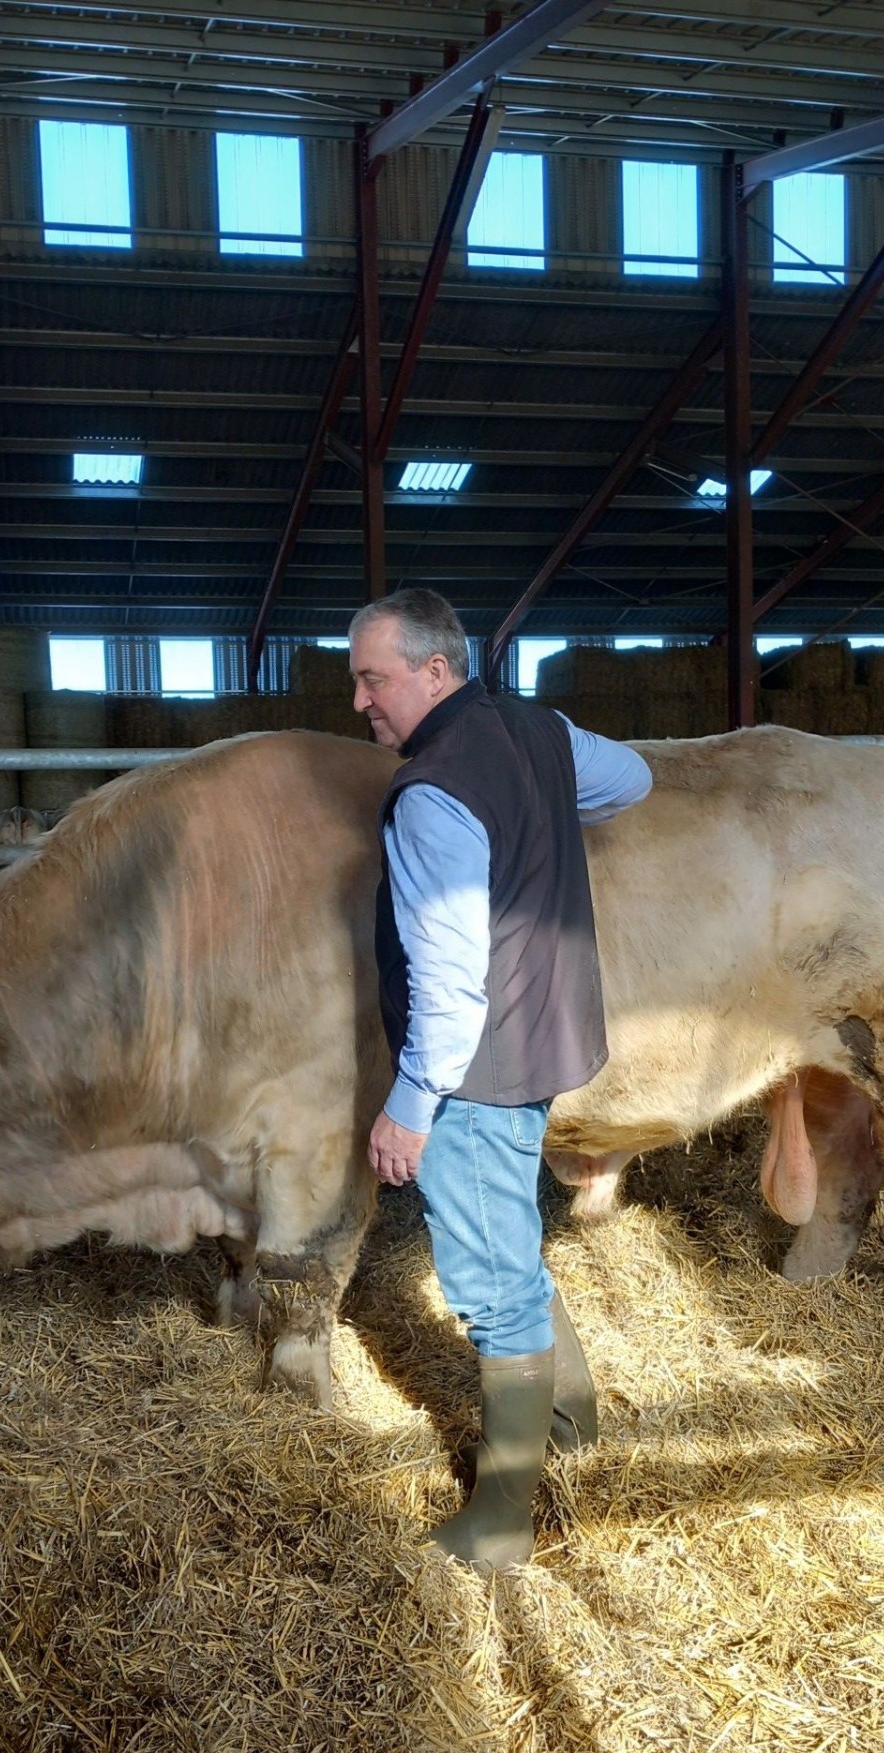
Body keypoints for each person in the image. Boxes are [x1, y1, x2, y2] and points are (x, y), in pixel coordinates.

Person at [349, 588, 653, 1572]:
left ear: (435, 670)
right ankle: (572, 1417)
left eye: (373, 677)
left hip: (476, 1070)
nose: (360, 701)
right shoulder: (536, 727)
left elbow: (446, 975)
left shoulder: (432, 790)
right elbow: (635, 778)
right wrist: (542, 799)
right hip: (546, 1034)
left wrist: (407, 1106)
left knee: (489, 1285)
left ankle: (503, 1518)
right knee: (512, 1241)